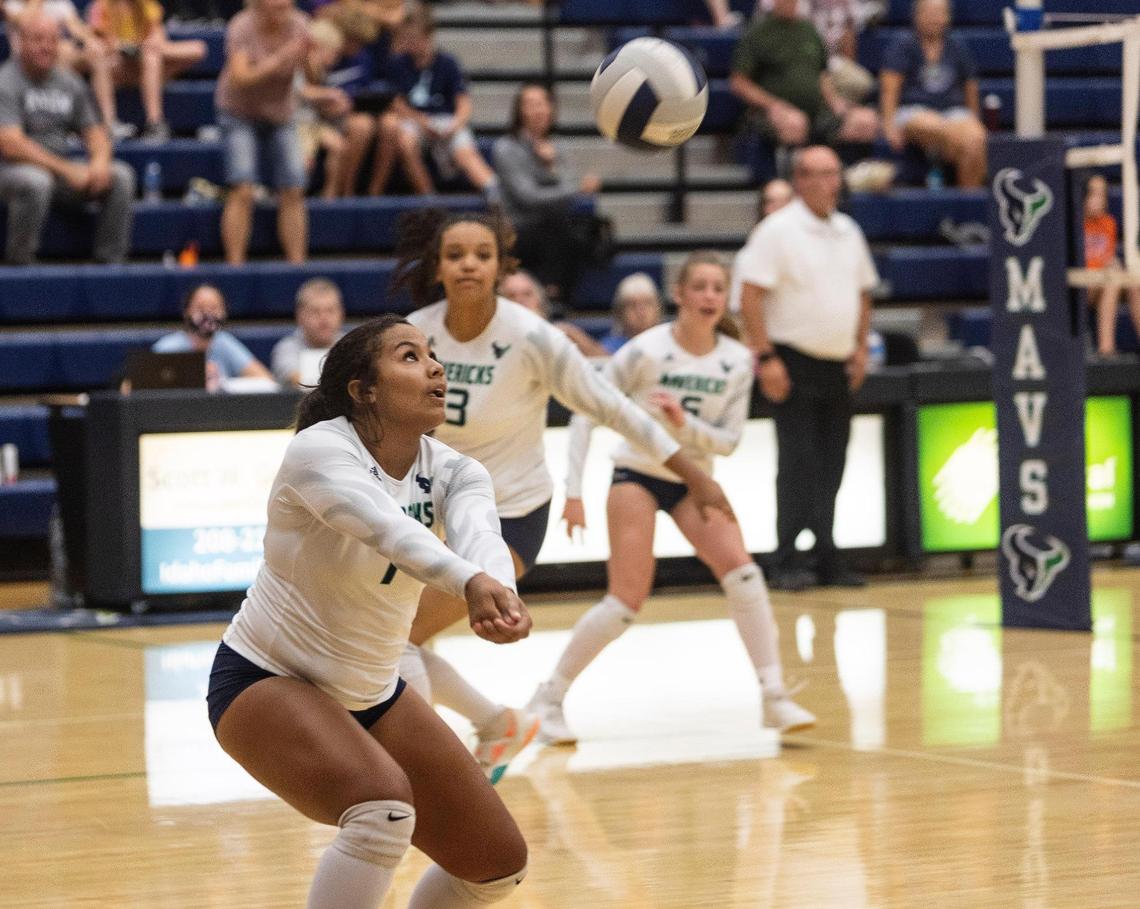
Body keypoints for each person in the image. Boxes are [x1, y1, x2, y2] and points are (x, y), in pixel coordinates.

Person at [393, 208, 735, 781]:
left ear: (503, 266)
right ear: (437, 267)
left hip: (508, 516)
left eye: (482, 254)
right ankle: (497, 725)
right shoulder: (414, 331)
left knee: (396, 640)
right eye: (455, 255)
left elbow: (613, 407)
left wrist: (694, 474)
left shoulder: (531, 337)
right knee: (386, 642)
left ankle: (430, 776)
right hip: (430, 515)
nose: (469, 265)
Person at [207, 314, 531, 908]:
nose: (434, 366)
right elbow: (390, 532)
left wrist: (499, 590)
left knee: (496, 865)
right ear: (363, 390)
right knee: (382, 811)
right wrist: (469, 583)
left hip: (374, 694)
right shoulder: (319, 451)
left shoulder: (458, 470)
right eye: (409, 356)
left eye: (433, 355)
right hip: (267, 679)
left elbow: (480, 535)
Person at [527, 252, 816, 745]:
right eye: (699, 287)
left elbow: (727, 442)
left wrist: (686, 426)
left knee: (744, 574)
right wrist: (573, 492)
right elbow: (583, 413)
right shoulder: (644, 351)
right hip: (637, 474)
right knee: (626, 600)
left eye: (717, 289)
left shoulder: (735, 360)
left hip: (695, 481)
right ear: (678, 296)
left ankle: (772, 696)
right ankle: (548, 698)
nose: (708, 296)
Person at [736, 145, 877, 591]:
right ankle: (784, 556)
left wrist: (860, 349)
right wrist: (766, 357)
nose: (827, 183)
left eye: (833, 173)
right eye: (816, 174)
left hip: (837, 364)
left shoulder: (848, 231)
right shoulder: (777, 231)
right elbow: (750, 296)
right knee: (797, 461)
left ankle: (827, 554)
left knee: (833, 461)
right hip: (790, 361)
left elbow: (864, 293)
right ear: (799, 180)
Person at [0, 13, 135, 265]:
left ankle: (109, 264)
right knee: (36, 181)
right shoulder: (5, 82)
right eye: (38, 40)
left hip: (59, 170)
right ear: (20, 42)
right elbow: (11, 145)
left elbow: (95, 131)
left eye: (52, 40)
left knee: (121, 176)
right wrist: (66, 170)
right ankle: (20, 263)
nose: (46, 47)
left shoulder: (68, 82)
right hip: (10, 170)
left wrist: (99, 161)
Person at [215, 0, 312, 264]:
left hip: (281, 112)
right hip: (239, 112)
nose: (282, 13)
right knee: (242, 186)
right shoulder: (241, 26)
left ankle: (297, 265)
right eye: (276, 8)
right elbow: (240, 78)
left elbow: (312, 74)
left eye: (286, 7)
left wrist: (311, 57)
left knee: (293, 185)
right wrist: (280, 59)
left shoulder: (300, 25)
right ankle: (235, 265)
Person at [367, 3, 496, 198]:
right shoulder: (398, 63)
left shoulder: (447, 62)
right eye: (408, 37)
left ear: (428, 36)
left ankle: (496, 193)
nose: (411, 43)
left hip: (445, 120)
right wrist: (422, 121)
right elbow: (396, 103)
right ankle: (431, 199)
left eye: (415, 38)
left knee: (466, 154)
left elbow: (464, 102)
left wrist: (455, 125)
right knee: (405, 140)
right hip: (415, 121)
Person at [493, 82, 601, 306]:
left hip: (556, 226)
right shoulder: (506, 148)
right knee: (556, 227)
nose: (538, 110)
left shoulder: (558, 147)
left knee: (584, 228)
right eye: (530, 104)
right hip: (519, 228)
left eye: (542, 103)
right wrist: (576, 188)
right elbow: (528, 197)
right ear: (519, 111)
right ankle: (552, 292)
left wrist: (551, 166)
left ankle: (558, 295)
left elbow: (567, 189)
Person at [729, 0, 878, 153]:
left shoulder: (809, 30)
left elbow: (822, 75)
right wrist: (773, 105)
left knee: (865, 122)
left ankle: (845, 172)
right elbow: (739, 83)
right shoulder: (756, 33)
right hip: (772, 112)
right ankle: (788, 173)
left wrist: (835, 103)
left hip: (817, 110)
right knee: (795, 124)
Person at [879, 0, 986, 188]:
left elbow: (970, 87)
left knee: (977, 138)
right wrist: (888, 126)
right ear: (916, 16)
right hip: (913, 111)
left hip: (954, 111)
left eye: (939, 13)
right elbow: (889, 88)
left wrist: (974, 118)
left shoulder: (958, 46)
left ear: (948, 17)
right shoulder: (903, 45)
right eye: (928, 12)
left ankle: (969, 204)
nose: (934, 18)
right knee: (939, 128)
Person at [85, 0, 207, 142]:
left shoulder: (147, 5)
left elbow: (158, 39)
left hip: (146, 65)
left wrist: (145, 47)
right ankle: (109, 123)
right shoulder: (101, 5)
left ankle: (155, 124)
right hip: (117, 68)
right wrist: (120, 47)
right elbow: (95, 44)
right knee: (103, 59)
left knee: (187, 50)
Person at [296, 18, 376, 198]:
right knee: (305, 161)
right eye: (332, 52)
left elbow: (317, 108)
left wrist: (335, 106)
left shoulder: (320, 70)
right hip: (296, 123)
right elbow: (300, 91)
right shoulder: (298, 63)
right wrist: (330, 95)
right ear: (317, 47)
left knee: (339, 146)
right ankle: (295, 198)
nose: (335, 58)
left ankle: (330, 197)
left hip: (314, 123)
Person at [154, 283, 275, 388]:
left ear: (224, 312)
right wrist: (193, 377)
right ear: (186, 312)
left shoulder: (224, 342)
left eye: (214, 308)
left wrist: (223, 383)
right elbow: (141, 386)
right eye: (200, 308)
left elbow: (265, 379)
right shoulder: (168, 347)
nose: (207, 314)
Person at [1084, 174, 1140, 357]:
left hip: (1103, 280)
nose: (1099, 200)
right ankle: (1106, 350)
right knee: (1112, 280)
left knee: (1134, 282)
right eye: (1094, 194)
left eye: (1102, 195)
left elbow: (1107, 257)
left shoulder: (1109, 223)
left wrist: (1112, 264)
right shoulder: (1074, 223)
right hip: (1082, 286)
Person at [499, 269, 608, 359]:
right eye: (511, 296)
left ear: (540, 300)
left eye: (527, 294)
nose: (520, 301)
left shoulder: (566, 334)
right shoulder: (495, 341)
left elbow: (605, 366)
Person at [729, 177, 795, 314]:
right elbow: (739, 307)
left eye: (785, 202)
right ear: (763, 208)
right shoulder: (749, 254)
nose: (779, 208)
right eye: (771, 202)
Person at [272, 277, 348, 386]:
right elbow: (296, 381)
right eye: (315, 311)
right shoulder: (285, 349)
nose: (324, 318)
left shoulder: (352, 346)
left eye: (330, 310)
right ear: (299, 316)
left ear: (341, 314)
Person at [598, 272, 663, 354]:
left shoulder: (669, 341)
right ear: (620, 312)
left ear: (657, 309)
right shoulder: (610, 345)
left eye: (647, 304)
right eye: (632, 305)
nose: (640, 313)